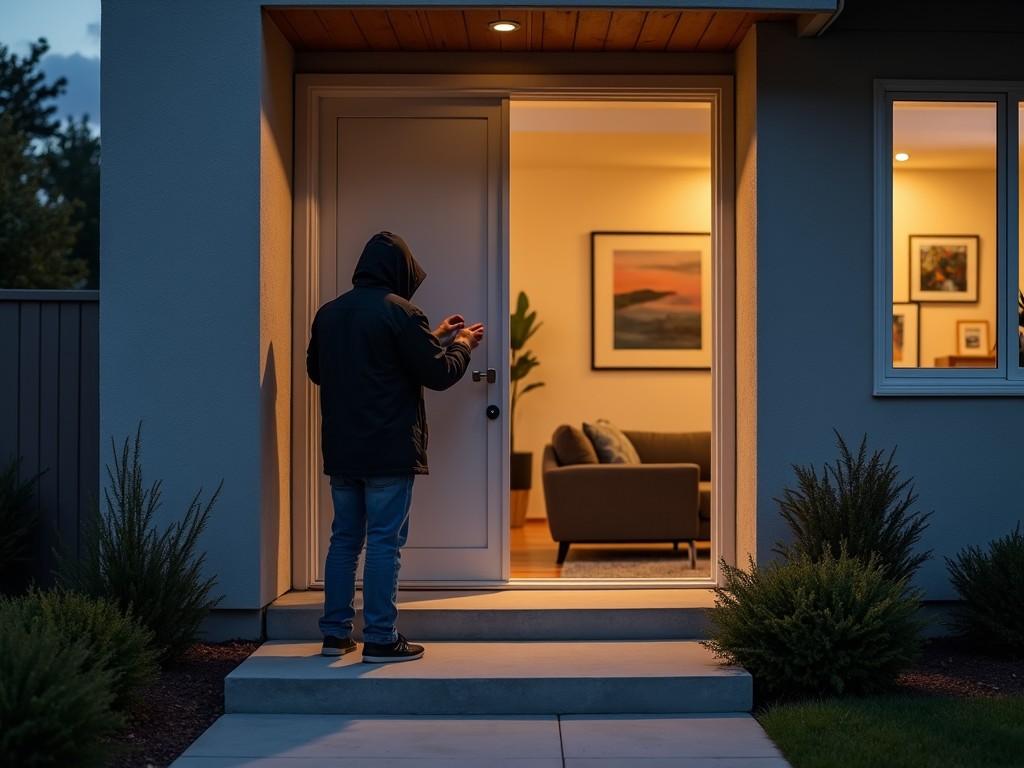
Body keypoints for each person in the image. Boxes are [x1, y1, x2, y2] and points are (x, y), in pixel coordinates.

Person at [306, 231, 484, 663]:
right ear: (399, 270)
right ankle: (381, 639)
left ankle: (335, 636)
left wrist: (435, 335)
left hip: (342, 451)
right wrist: (461, 345)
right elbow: (439, 375)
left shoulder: (329, 313)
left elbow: (317, 371)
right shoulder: (403, 312)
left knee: (344, 541)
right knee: (384, 543)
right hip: (388, 450)